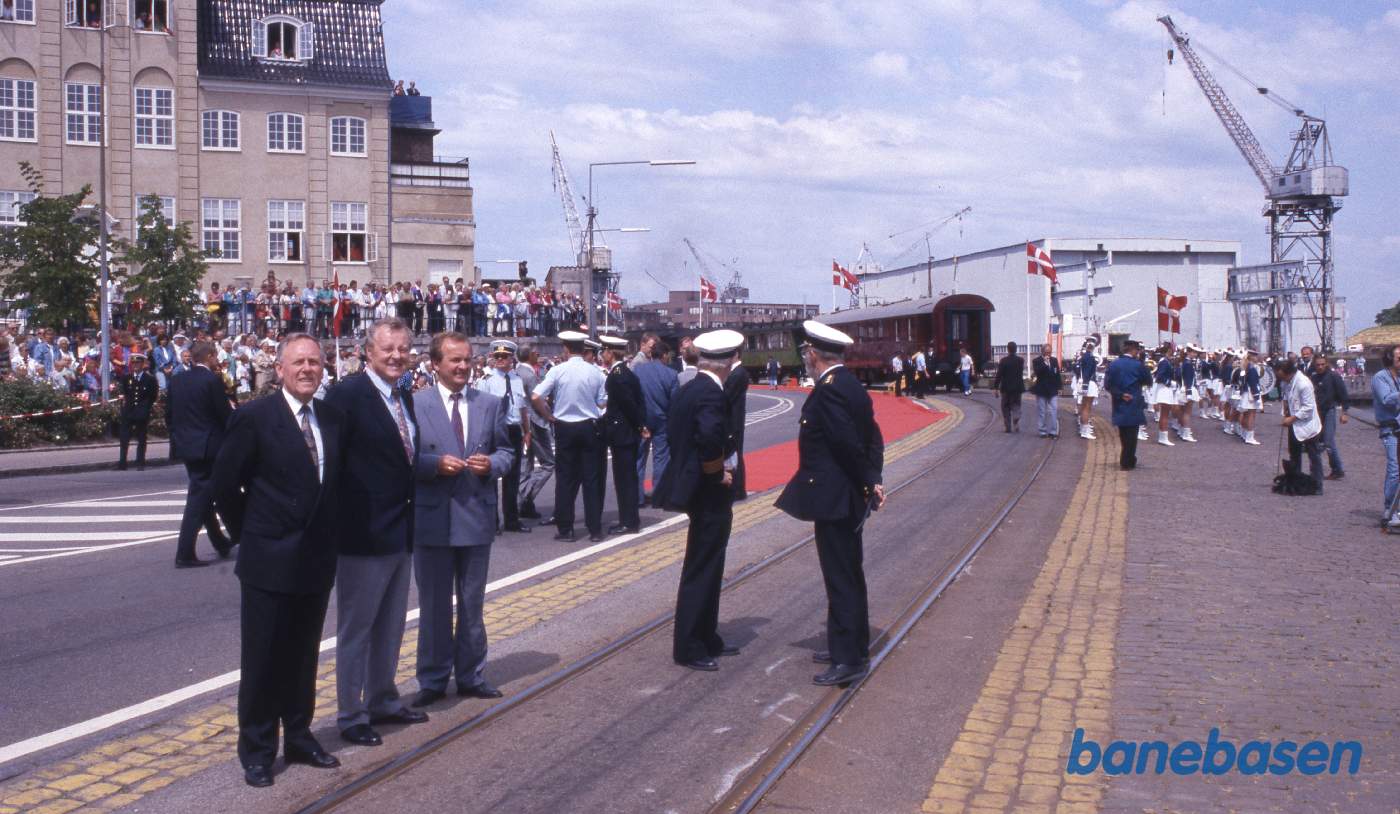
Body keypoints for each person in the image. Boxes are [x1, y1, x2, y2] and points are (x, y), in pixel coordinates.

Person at [212, 333, 345, 788]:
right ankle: (257, 749)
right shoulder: (254, 418)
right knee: (264, 657)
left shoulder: (331, 417)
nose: (308, 369)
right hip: (269, 558)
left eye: (315, 362)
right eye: (299, 362)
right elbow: (224, 486)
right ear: (281, 369)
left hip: (315, 559)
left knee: (303, 655)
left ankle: (301, 736)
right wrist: (253, 532)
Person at [325, 318, 430, 747]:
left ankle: (384, 699)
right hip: (361, 535)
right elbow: (332, 466)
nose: (396, 356)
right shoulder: (347, 395)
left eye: (403, 349)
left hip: (400, 530)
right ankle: (351, 713)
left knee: (390, 625)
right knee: (357, 629)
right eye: (387, 349)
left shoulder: (403, 394)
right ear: (367, 352)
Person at [777, 321, 885, 686]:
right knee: (846, 572)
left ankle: (850, 659)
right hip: (846, 496)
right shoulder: (850, 385)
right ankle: (846, 642)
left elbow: (846, 445)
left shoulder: (829, 391)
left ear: (813, 355)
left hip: (837, 498)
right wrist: (873, 480)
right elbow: (873, 439)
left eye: (806, 353)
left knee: (841, 576)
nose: (805, 358)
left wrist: (869, 482)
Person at [410, 332, 515, 707]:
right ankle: (434, 678)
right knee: (434, 605)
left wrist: (492, 465)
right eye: (454, 360)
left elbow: (506, 450)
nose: (462, 367)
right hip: (433, 521)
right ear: (435, 364)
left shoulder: (489, 403)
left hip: (475, 516)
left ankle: (471, 674)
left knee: (472, 604)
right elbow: (403, 458)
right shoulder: (415, 403)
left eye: (467, 360)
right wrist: (433, 465)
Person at [655, 329, 744, 672]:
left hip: (695, 490)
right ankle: (690, 644)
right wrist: (716, 472)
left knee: (708, 563)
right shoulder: (710, 393)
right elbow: (709, 438)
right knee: (703, 566)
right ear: (728, 362)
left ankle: (707, 636)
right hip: (708, 491)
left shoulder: (691, 387)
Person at [530, 330, 608, 542]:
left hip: (565, 426)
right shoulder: (596, 373)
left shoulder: (558, 371)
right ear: (584, 349)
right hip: (589, 426)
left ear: (565, 349)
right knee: (591, 479)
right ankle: (595, 529)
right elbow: (602, 402)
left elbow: (536, 396)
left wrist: (549, 416)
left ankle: (566, 529)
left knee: (565, 479)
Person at [167, 340, 236, 566]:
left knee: (204, 495)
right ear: (208, 357)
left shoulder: (177, 380)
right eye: (214, 356)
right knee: (199, 498)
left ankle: (219, 541)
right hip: (209, 446)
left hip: (187, 445)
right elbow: (223, 415)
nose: (216, 360)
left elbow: (169, 414)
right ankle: (184, 553)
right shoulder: (211, 380)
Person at [473, 339, 531, 533]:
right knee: (492, 475)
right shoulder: (487, 381)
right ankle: (492, 521)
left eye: (503, 357)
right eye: (496, 356)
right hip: (495, 431)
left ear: (511, 358)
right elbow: (480, 409)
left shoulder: (516, 380)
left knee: (512, 478)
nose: (499, 360)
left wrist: (527, 431)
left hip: (513, 430)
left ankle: (512, 520)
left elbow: (522, 408)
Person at [601, 335, 646, 534]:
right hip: (626, 431)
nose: (602, 354)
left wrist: (639, 426)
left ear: (611, 352)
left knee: (625, 478)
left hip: (623, 432)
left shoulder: (618, 375)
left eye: (604, 351)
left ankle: (629, 521)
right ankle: (628, 518)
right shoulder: (623, 372)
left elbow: (628, 405)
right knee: (626, 477)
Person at [636, 339, 679, 506]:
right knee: (661, 458)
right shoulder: (671, 374)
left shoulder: (638, 371)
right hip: (662, 421)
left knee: (638, 458)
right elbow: (674, 403)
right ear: (664, 355)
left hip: (642, 421)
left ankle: (637, 496)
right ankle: (659, 495)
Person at [514, 343, 553, 520]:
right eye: (534, 352)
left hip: (522, 423)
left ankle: (525, 504)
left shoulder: (517, 371)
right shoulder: (529, 375)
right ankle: (523, 496)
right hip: (534, 423)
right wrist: (550, 416)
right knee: (548, 463)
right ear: (528, 355)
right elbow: (537, 400)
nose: (537, 354)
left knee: (526, 465)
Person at [1105, 339, 1152, 470]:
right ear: (1133, 350)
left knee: (1124, 433)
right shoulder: (1138, 365)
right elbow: (1148, 380)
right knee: (1132, 434)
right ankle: (1127, 461)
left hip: (1119, 402)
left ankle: (1127, 458)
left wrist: (1120, 394)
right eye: (1137, 350)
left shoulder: (1113, 364)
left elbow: (1108, 385)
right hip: (1134, 401)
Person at [1279, 359, 1324, 493]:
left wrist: (1291, 418)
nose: (1281, 380)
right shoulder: (1286, 382)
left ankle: (1317, 485)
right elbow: (1286, 397)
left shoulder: (1304, 384)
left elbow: (1308, 408)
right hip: (1294, 424)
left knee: (1314, 456)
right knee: (1294, 454)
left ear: (1289, 373)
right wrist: (1285, 409)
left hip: (1309, 425)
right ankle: (1295, 483)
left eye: (1282, 377)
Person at [1307, 355, 1348, 481]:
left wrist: (1344, 412)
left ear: (1326, 364)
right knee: (1316, 441)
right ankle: (1316, 469)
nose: (1320, 367)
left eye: (1322, 364)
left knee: (1328, 441)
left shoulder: (1333, 376)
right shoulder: (1313, 377)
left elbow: (1343, 394)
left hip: (1330, 410)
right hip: (1317, 412)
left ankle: (1337, 469)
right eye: (1317, 365)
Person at [116, 352, 158, 471]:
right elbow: (124, 393)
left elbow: (152, 396)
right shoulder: (126, 378)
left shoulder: (149, 379)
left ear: (142, 364)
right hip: (128, 411)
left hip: (141, 411)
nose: (135, 365)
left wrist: (145, 408)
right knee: (124, 437)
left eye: (138, 363)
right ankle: (122, 462)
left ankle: (140, 462)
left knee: (141, 437)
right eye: (133, 363)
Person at [1373, 347, 1400, 530]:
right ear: (1390, 358)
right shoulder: (1380, 378)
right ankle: (1389, 509)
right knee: (1394, 469)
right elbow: (1386, 399)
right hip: (1390, 429)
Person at [723, 354, 751, 500]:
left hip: (734, 420)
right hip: (734, 419)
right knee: (734, 453)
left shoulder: (738, 373)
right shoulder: (736, 372)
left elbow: (727, 396)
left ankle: (738, 490)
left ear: (735, 354)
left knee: (735, 454)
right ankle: (737, 488)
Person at [992, 342, 1025, 433]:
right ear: (1016, 349)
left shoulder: (1003, 361)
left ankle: (1008, 426)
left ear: (1007, 349)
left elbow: (999, 375)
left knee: (1005, 407)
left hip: (1006, 387)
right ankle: (1016, 416)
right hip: (1017, 387)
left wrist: (995, 387)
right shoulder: (1020, 360)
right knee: (1016, 404)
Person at [1031, 345, 1061, 439]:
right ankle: (1042, 431)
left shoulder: (1054, 360)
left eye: (1050, 352)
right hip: (1041, 390)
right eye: (1047, 352)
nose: (1049, 354)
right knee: (1042, 411)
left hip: (1052, 389)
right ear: (1042, 352)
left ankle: (1053, 431)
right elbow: (1037, 372)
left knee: (1054, 410)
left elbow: (1057, 374)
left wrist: (1059, 387)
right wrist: (1045, 363)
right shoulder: (1036, 361)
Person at [1151, 345, 1177, 447]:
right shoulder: (1164, 362)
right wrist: (1170, 383)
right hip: (1164, 389)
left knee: (1165, 414)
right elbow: (1160, 377)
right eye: (1172, 350)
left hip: (1165, 389)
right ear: (1169, 350)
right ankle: (1163, 438)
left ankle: (1163, 436)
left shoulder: (1166, 361)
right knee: (1164, 414)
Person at [1074, 340, 1099, 440]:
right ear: (1092, 347)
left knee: (1084, 406)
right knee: (1087, 407)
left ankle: (1083, 428)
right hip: (1088, 383)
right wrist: (1086, 385)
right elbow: (1088, 373)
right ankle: (1084, 431)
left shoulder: (1083, 357)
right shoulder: (1089, 357)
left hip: (1084, 382)